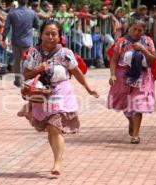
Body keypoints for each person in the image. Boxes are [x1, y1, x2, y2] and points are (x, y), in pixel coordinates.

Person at [18, 20, 99, 175]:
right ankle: (56, 158)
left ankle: (57, 164)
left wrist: (88, 88)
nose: (50, 37)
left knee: (55, 126)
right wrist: (38, 69)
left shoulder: (65, 53)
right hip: (41, 94)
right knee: (50, 128)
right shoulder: (33, 52)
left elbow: (76, 72)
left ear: (59, 36)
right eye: (47, 33)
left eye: (54, 34)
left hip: (60, 91)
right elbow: (26, 74)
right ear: (40, 35)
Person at [107, 19, 156, 144]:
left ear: (144, 31)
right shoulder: (121, 42)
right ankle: (131, 120)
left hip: (143, 76)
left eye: (140, 30)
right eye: (134, 29)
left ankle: (135, 135)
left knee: (138, 104)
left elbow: (153, 60)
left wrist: (143, 49)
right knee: (125, 104)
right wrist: (112, 75)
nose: (136, 32)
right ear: (129, 28)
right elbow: (114, 60)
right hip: (123, 76)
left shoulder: (148, 41)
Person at [2, 0, 39, 87]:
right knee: (28, 61)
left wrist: (3, 38)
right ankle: (26, 80)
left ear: (17, 2)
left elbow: (6, 27)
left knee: (17, 62)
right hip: (28, 41)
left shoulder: (12, 13)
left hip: (16, 41)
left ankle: (18, 81)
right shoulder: (32, 13)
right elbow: (37, 26)